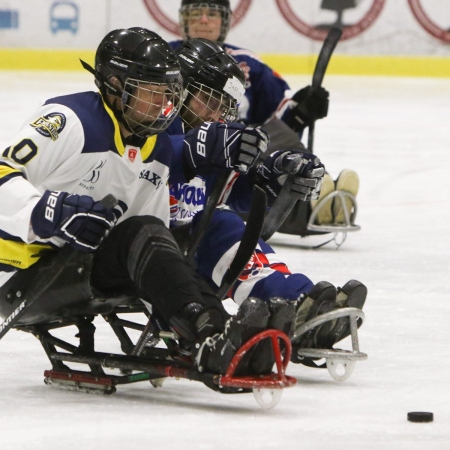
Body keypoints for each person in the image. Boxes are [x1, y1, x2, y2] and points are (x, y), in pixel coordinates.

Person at [0, 27, 283, 377]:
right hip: (22, 276)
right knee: (146, 234)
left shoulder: (158, 147)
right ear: (116, 86)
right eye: (152, 93)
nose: (165, 107)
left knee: (165, 241)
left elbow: (150, 247)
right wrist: (46, 214)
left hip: (82, 269)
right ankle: (209, 333)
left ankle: (216, 332)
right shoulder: (71, 120)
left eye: (170, 94)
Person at [166, 38, 367, 362]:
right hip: (144, 242)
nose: (217, 114)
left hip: (188, 233)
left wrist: (274, 174)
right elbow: (149, 166)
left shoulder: (212, 128)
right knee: (212, 223)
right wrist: (193, 147)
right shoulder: (152, 122)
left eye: (223, 106)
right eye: (208, 100)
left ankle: (294, 305)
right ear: (179, 91)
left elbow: (232, 187)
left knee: (223, 223)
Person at [170, 0, 359, 232]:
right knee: (242, 181)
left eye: (212, 14)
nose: (204, 20)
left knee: (275, 139)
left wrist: (300, 112)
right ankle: (312, 209)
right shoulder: (166, 58)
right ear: (184, 19)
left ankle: (317, 187)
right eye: (196, 13)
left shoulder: (245, 63)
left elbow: (278, 117)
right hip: (194, 150)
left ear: (225, 20)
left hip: (242, 148)